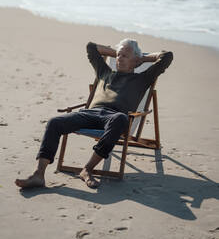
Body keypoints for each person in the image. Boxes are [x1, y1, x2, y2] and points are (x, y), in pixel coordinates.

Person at [15, 39, 173, 189]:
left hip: (113, 118)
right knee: (54, 122)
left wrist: (142, 59)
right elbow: (91, 47)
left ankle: (87, 169)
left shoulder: (142, 79)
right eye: (118, 55)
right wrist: (116, 51)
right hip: (90, 113)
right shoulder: (105, 72)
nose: (119, 58)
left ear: (136, 61)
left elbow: (167, 56)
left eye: (125, 56)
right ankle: (39, 175)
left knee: (120, 118)